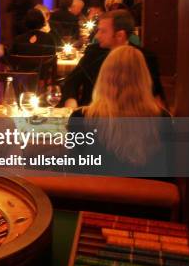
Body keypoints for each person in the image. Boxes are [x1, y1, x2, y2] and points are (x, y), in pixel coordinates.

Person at [68, 46, 172, 176]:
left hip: (95, 193)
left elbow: (74, 169)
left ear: (104, 77)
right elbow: (167, 169)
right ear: (144, 79)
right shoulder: (163, 118)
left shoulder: (81, 118)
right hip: (148, 193)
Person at [62, 10, 165, 108]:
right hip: (92, 115)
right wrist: (71, 101)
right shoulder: (93, 52)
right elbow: (71, 82)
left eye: (103, 31)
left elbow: (156, 93)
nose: (97, 36)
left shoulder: (145, 57)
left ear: (120, 35)